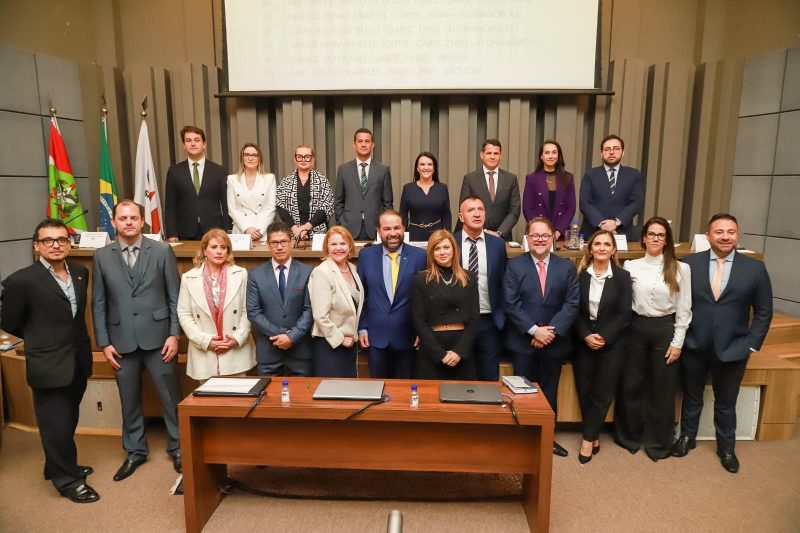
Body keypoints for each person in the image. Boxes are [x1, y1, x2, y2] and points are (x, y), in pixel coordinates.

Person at [0, 219, 98, 503]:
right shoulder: (22, 280)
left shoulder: (80, 272)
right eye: (48, 240)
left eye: (61, 239)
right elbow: (10, 322)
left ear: (69, 243)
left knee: (68, 417)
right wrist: (40, 339)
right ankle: (68, 481)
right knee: (54, 422)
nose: (55, 245)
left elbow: (75, 317)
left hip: (77, 359)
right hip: (48, 362)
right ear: (36, 246)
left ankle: (57, 464)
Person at [673, 213, 773, 473]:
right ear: (708, 236)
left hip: (734, 347)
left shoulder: (754, 269)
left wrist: (752, 344)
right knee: (692, 397)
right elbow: (678, 303)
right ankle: (687, 438)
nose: (725, 236)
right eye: (719, 232)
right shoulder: (689, 264)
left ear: (738, 235)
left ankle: (726, 448)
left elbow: (763, 311)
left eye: (730, 231)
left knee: (726, 401)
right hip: (695, 343)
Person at [92, 200, 183, 481]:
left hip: (159, 340)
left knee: (171, 397)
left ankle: (179, 447)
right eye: (123, 218)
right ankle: (135, 451)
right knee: (128, 399)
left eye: (134, 217)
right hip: (120, 343)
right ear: (115, 222)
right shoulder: (102, 256)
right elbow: (98, 303)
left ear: (143, 221)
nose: (128, 222)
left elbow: (174, 296)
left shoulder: (162, 251)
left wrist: (174, 334)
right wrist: (104, 343)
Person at [614, 216, 692, 461]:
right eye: (651, 234)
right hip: (635, 329)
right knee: (631, 384)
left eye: (661, 235)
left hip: (664, 330)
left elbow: (684, 308)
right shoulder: (631, 266)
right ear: (644, 238)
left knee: (662, 388)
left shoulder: (681, 268)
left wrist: (677, 342)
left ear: (666, 239)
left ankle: (658, 443)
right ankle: (629, 437)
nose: (656, 238)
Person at [504, 216, 579, 457]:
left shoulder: (565, 266)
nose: (539, 239)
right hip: (523, 342)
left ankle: (547, 439)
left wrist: (549, 332)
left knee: (549, 392)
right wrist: (535, 330)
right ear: (527, 238)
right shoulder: (514, 266)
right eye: (534, 235)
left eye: (544, 235)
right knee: (523, 393)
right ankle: (522, 441)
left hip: (554, 343)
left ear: (552, 238)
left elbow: (571, 304)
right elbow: (510, 304)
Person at [572, 230, 632, 464]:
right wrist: (586, 335)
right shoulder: (580, 276)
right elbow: (574, 309)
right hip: (583, 341)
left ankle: (587, 439)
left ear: (613, 250)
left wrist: (604, 336)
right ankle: (595, 434)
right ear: (590, 248)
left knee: (602, 393)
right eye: (597, 243)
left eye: (607, 244)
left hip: (612, 344)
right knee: (585, 391)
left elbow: (624, 314)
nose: (602, 248)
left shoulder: (622, 277)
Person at [177, 229, 256, 380]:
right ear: (204, 250)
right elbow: (184, 314)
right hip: (205, 353)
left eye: (223, 247)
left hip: (235, 351)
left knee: (239, 402)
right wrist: (204, 341)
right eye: (214, 247)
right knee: (208, 402)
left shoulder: (241, 274)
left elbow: (248, 310)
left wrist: (237, 338)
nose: (219, 251)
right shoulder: (189, 278)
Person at [357, 210, 427, 379]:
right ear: (379, 231)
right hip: (375, 336)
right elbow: (361, 297)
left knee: (404, 395)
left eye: (397, 228)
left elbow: (425, 298)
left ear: (403, 229)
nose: (393, 233)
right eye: (387, 229)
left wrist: (422, 331)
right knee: (378, 390)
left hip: (408, 337)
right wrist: (362, 327)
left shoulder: (420, 256)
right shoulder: (366, 255)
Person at [247, 222, 314, 376]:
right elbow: (253, 312)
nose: (279, 247)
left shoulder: (307, 272)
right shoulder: (255, 275)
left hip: (300, 352)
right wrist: (283, 335)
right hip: (269, 352)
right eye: (274, 243)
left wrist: (292, 336)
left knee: (301, 398)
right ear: (268, 245)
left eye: (283, 242)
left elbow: (309, 310)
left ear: (291, 243)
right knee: (268, 399)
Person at [411, 230, 479, 380]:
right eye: (437, 248)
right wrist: (439, 354)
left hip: (461, 346)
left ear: (454, 249)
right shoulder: (421, 279)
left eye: (446, 247)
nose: (442, 252)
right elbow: (418, 320)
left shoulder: (469, 278)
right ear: (431, 253)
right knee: (430, 400)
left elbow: (475, 319)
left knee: (462, 399)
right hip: (432, 348)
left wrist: (459, 352)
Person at [454, 196, 508, 381]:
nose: (477, 213)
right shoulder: (451, 243)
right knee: (460, 377)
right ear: (461, 217)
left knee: (489, 378)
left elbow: (503, 281)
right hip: (458, 321)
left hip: (489, 321)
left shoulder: (498, 245)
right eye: (471, 210)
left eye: (480, 209)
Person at [309, 226, 364, 377]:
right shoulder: (322, 272)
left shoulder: (353, 268)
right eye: (333, 244)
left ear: (350, 246)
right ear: (327, 247)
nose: (338, 248)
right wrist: (340, 339)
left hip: (350, 343)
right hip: (330, 343)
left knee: (348, 392)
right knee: (331, 394)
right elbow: (320, 315)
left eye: (343, 243)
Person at [165, 125, 231, 241]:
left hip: (214, 231)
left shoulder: (219, 171)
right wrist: (171, 233)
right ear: (184, 145)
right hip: (184, 232)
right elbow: (170, 205)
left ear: (204, 144)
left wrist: (228, 231)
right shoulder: (174, 171)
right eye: (188, 140)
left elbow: (226, 205)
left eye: (197, 140)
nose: (193, 144)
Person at [579, 134, 643, 241]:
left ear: (623, 152)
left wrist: (616, 222)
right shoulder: (590, 175)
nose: (611, 152)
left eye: (616, 149)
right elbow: (584, 203)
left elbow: (637, 202)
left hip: (622, 232)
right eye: (607, 149)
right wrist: (602, 224)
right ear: (601, 153)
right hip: (593, 232)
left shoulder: (634, 175)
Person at [334, 128, 393, 240]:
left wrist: (384, 226)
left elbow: (388, 203)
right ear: (354, 144)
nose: (364, 144)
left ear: (372, 145)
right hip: (349, 228)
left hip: (375, 228)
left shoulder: (383, 170)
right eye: (360, 141)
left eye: (367, 141)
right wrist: (341, 222)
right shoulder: (343, 170)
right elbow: (338, 201)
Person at [458, 139, 520, 240]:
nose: (492, 156)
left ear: (501, 155)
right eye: (489, 153)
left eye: (496, 153)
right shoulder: (470, 179)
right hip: (475, 236)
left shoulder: (511, 179)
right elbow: (464, 208)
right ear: (482, 155)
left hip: (503, 237)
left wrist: (499, 233)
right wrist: (484, 232)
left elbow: (514, 210)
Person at [276, 144, 335, 239]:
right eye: (299, 157)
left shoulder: (322, 180)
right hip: (292, 233)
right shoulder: (286, 181)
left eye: (307, 157)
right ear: (295, 159)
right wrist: (295, 229)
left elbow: (327, 207)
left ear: (313, 159)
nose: (303, 160)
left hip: (317, 233)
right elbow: (280, 206)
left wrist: (306, 228)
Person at [522, 140, 576, 240]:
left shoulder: (568, 178)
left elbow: (571, 208)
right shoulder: (532, 179)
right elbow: (527, 209)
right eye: (547, 153)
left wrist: (558, 231)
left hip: (560, 234)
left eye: (554, 152)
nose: (551, 156)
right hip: (538, 235)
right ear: (541, 156)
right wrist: (540, 231)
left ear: (558, 155)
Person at [226, 143, 276, 242]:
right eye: (247, 155)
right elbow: (232, 209)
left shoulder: (269, 178)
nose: (250, 158)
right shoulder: (232, 179)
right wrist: (247, 228)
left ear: (259, 158)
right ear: (242, 158)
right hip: (241, 232)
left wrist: (259, 231)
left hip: (263, 232)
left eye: (254, 155)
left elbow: (271, 207)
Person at [399, 151, 451, 241]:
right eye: (422, 164)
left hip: (438, 236)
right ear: (417, 168)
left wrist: (447, 236)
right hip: (413, 236)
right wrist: (403, 237)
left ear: (434, 168)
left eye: (430, 164)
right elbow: (403, 216)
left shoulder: (442, 188)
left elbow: (446, 215)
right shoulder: (408, 188)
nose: (426, 167)